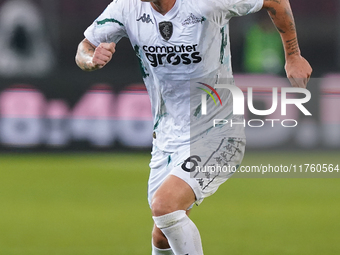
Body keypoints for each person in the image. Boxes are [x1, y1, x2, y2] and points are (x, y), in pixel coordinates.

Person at [75, 0, 312, 254]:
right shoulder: (126, 7)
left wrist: (293, 55)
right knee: (162, 235)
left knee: (165, 207)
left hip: (218, 132)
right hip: (166, 138)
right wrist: (91, 60)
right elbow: (84, 48)